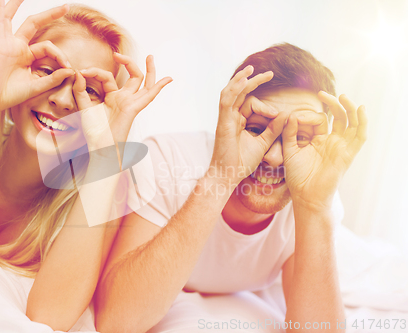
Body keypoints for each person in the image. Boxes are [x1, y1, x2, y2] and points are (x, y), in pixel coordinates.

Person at [0, 0, 171, 331]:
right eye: (47, 72)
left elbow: (50, 318)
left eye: (88, 92)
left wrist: (107, 153)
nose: (62, 100)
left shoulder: (100, 193)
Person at [95, 43, 367, 332]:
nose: (274, 157)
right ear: (226, 121)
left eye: (298, 137)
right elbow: (117, 320)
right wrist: (221, 177)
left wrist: (314, 208)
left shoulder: (314, 193)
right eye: (256, 128)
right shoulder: (166, 160)